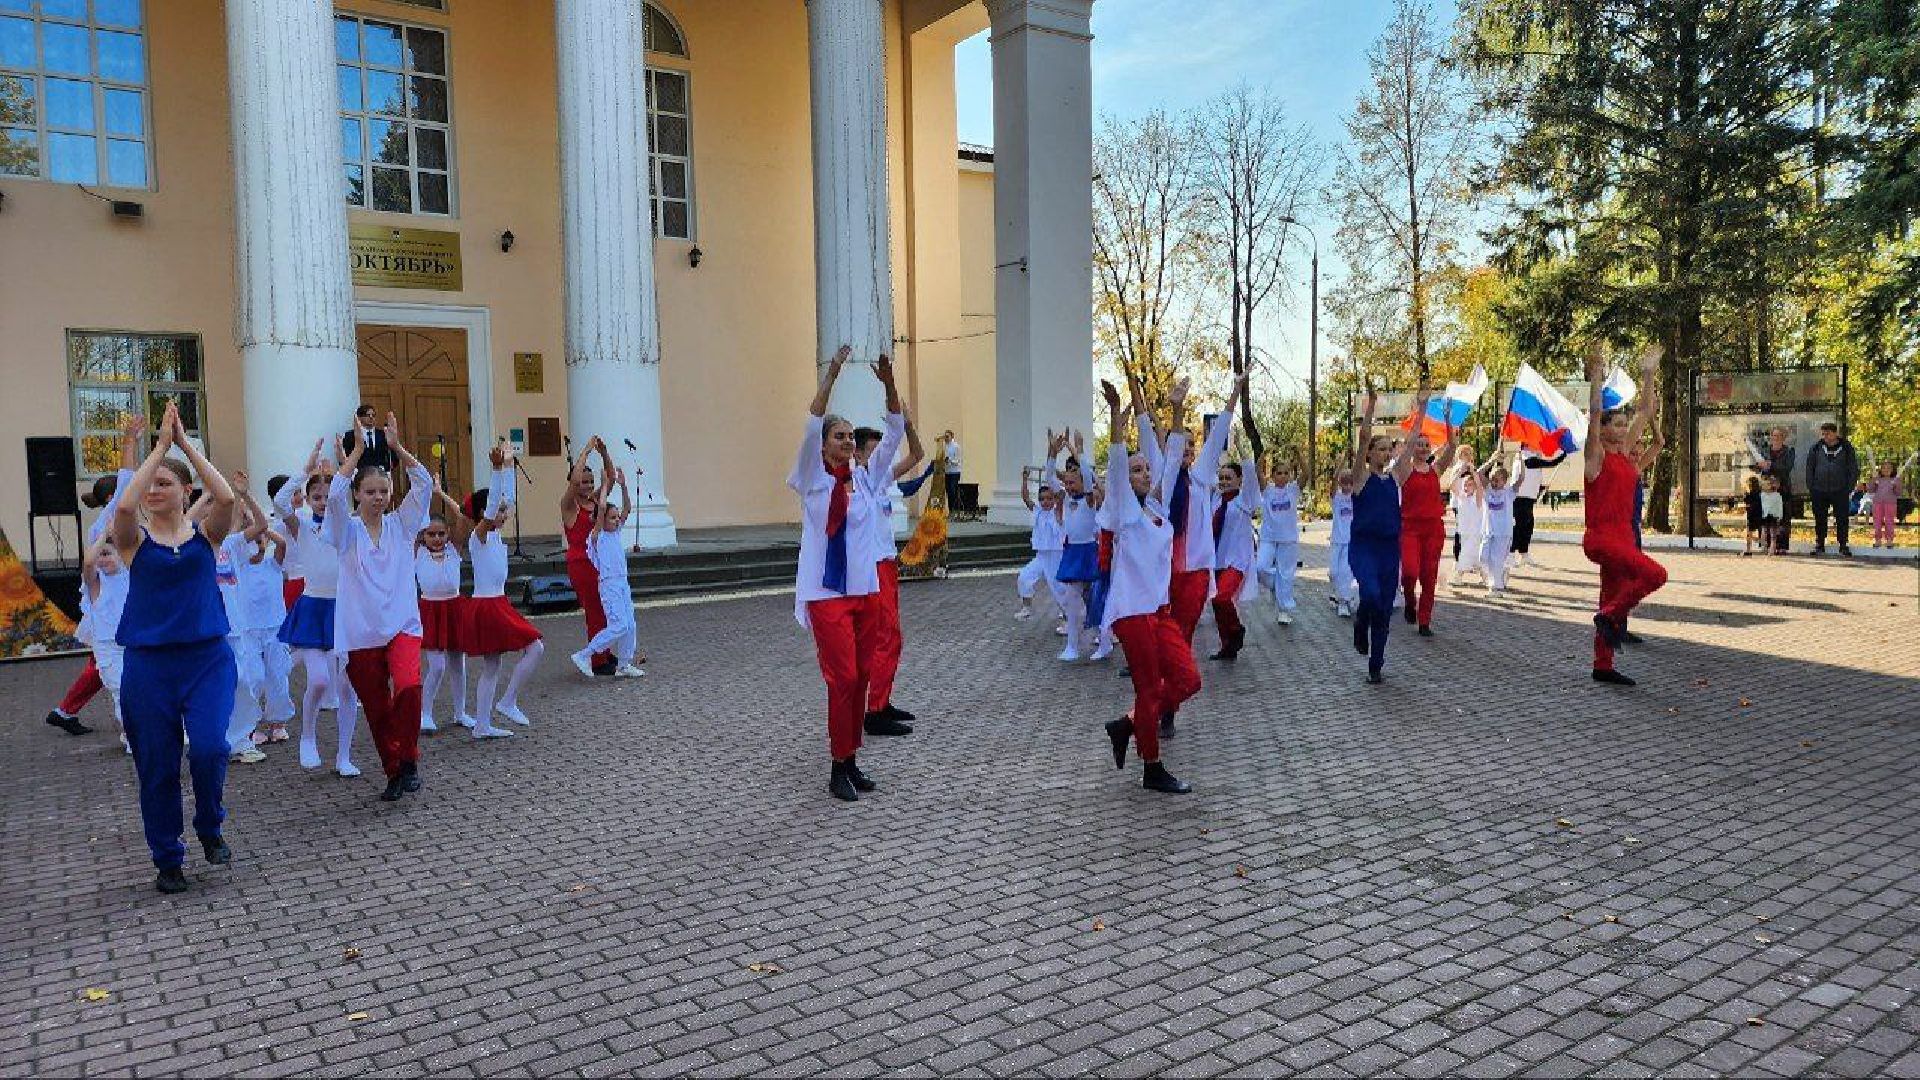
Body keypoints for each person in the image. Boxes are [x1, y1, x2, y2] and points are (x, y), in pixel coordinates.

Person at [111, 399, 240, 893]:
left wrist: (184, 445)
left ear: (187, 491)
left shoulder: (206, 536)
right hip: (148, 668)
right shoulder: (132, 541)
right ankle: (168, 858)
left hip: (207, 660)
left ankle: (210, 827)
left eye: (166, 482)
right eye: (152, 484)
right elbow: (124, 504)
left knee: (209, 748)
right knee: (158, 767)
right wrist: (157, 450)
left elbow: (225, 498)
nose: (155, 490)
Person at [791, 346, 900, 802]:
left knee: (861, 676)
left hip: (864, 590)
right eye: (840, 436)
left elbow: (894, 433)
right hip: (826, 593)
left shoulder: (866, 478)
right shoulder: (812, 475)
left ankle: (852, 759)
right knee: (842, 680)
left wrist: (889, 383)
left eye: (851, 436)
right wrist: (832, 374)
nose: (848, 442)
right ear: (824, 445)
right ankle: (838, 765)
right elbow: (813, 420)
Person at [327, 412, 436, 802]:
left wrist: (396, 448)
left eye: (383, 491)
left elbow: (424, 483)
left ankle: (408, 760)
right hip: (359, 633)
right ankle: (394, 771)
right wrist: (355, 452)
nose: (378, 498)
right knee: (376, 708)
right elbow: (335, 495)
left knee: (408, 687)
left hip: (402, 624)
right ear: (359, 494)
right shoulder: (345, 532)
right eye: (370, 492)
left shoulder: (402, 525)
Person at [1096, 379, 1196, 794]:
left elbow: (1172, 461)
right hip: (1131, 614)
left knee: (1188, 680)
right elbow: (1118, 466)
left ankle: (1127, 724)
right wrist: (1118, 420)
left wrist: (1176, 411)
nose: (1143, 473)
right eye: (1137, 470)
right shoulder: (1121, 511)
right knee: (1150, 688)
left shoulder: (1157, 511)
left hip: (1159, 612)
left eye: (1145, 469)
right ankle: (1152, 767)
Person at [47, 412, 144, 737]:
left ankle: (66, 710)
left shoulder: (119, 525)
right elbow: (128, 478)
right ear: (111, 498)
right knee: (103, 663)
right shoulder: (105, 525)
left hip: (120, 610)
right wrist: (130, 440)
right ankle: (71, 711)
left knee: (104, 664)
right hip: (106, 610)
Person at [1133, 370, 1245, 647]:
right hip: (1164, 568)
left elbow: (1219, 434)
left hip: (1195, 571)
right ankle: (1164, 669)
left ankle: (1174, 674)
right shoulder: (1162, 473)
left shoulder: (1201, 476)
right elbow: (1146, 432)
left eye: (1192, 446)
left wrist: (1236, 390)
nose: (1187, 449)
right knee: (1163, 627)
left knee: (1184, 631)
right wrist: (1136, 391)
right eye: (1182, 444)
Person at [273, 440, 361, 777]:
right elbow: (281, 502)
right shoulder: (304, 525)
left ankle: (343, 755)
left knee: (347, 687)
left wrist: (343, 465)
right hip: (312, 607)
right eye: (317, 498)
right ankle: (307, 736)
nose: (324, 502)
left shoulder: (349, 525)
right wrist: (305, 470)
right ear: (309, 501)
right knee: (321, 680)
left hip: (343, 610)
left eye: (328, 497)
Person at [1582, 344, 1668, 687]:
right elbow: (1592, 412)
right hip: (1602, 539)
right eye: (1615, 425)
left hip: (1624, 538)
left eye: (1623, 425)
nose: (1621, 429)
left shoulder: (1626, 456)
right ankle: (1609, 616)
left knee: (1610, 592)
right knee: (1655, 575)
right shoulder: (1596, 456)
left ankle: (1602, 665)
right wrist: (1598, 375)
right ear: (1603, 428)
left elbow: (1646, 411)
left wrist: (1648, 371)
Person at [460, 443, 546, 728]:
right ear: (484, 513)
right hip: (488, 604)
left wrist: (508, 465)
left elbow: (507, 501)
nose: (504, 512)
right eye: (496, 510)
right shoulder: (479, 536)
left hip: (495, 603)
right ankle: (508, 701)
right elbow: (497, 503)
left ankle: (482, 725)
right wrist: (496, 470)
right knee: (535, 648)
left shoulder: (495, 534)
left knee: (492, 665)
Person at [852, 368, 917, 739]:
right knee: (884, 636)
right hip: (871, 567)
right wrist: (890, 388)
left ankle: (882, 699)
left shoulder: (876, 479)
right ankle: (874, 711)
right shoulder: (859, 480)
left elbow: (915, 452)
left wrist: (906, 418)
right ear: (860, 454)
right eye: (872, 451)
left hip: (885, 564)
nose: (881, 457)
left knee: (892, 636)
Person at [1352, 382, 1428, 684]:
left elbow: (1410, 444)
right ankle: (1360, 622)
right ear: (1370, 453)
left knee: (1383, 608)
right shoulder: (1360, 477)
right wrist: (1371, 405)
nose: (1385, 453)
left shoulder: (1395, 477)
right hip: (1363, 547)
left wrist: (1421, 407)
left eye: (1387, 449)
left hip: (1388, 550)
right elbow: (1363, 437)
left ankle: (1376, 664)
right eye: (1380, 449)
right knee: (1369, 594)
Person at [221, 475, 294, 759]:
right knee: (253, 677)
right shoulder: (237, 562)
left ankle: (276, 722)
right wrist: (243, 510)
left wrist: (264, 533)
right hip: (248, 630)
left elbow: (277, 540)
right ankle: (248, 728)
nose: (258, 545)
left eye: (262, 542)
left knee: (279, 675)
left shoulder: (273, 563)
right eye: (255, 541)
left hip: (275, 627)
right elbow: (235, 534)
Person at [570, 466, 645, 680]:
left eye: (615, 517)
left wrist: (623, 485)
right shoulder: (596, 537)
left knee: (630, 624)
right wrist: (604, 484)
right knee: (619, 625)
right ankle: (585, 655)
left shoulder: (616, 532)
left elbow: (628, 508)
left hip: (622, 583)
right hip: (609, 585)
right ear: (601, 519)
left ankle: (623, 664)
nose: (616, 519)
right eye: (611, 517)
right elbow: (601, 507)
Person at [416, 487, 477, 735]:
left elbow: (464, 518)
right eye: (431, 534)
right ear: (423, 535)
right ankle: (425, 712)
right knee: (437, 666)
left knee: (457, 664)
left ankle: (460, 712)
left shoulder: (454, 549)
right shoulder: (416, 551)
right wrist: (422, 498)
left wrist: (441, 493)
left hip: (454, 608)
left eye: (441, 533)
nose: (437, 538)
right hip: (431, 609)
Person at [1398, 409, 1458, 638]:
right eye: (1419, 444)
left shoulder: (1436, 469)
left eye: (1426, 445)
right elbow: (1410, 439)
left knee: (1429, 575)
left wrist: (1448, 421)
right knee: (1410, 572)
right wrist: (1420, 416)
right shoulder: (1405, 469)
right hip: (1410, 528)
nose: (1422, 448)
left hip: (1433, 529)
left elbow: (1451, 448)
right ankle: (1410, 600)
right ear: (1412, 447)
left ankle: (1424, 621)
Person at [561, 436, 616, 676]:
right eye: (583, 481)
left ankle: (602, 650)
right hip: (581, 563)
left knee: (605, 608)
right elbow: (573, 481)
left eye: (590, 481)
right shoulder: (569, 506)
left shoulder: (595, 501)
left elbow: (611, 477)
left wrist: (603, 452)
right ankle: (597, 659)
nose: (586, 485)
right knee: (594, 610)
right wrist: (585, 451)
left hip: (600, 562)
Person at [1050, 433, 1104, 661]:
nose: (1069, 486)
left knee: (1094, 598)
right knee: (1073, 599)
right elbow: (1051, 479)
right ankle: (1072, 646)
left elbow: (1090, 476)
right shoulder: (1065, 498)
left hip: (1089, 551)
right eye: (1067, 483)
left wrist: (1076, 450)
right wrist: (1052, 453)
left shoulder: (1090, 499)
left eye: (1073, 482)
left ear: (1083, 482)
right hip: (1073, 552)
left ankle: (1104, 638)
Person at [1209, 450, 1262, 660]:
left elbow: (1251, 477)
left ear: (1239, 480)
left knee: (1223, 598)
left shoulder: (1244, 501)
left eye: (1228, 478)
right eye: (1221, 478)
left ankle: (1237, 629)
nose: (1223, 482)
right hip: (1216, 560)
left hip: (1237, 561)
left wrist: (1244, 454)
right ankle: (1227, 646)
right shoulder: (1216, 501)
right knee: (1216, 603)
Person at [1253, 456, 1301, 626]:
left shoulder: (1293, 490)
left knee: (1286, 574)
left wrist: (1299, 455)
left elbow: (1307, 473)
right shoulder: (1268, 490)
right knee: (1259, 567)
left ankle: (1283, 610)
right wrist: (1262, 456)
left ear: (1289, 475)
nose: (1282, 476)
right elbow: (1258, 472)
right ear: (1272, 476)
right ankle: (1274, 584)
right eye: (1278, 473)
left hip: (1288, 539)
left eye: (1286, 473)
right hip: (1268, 537)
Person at [1803, 422, 1860, 556]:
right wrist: (1811, 486)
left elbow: (1853, 468)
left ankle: (1843, 545)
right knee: (1820, 518)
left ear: (1835, 433)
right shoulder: (1816, 448)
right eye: (1823, 434)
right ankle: (1820, 544)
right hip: (1819, 489)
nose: (1825, 437)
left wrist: (1849, 487)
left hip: (1840, 489)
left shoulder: (1846, 447)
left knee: (1842, 518)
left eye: (1828, 433)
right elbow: (1810, 468)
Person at [1015, 471, 1064, 622]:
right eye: (1042, 499)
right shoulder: (1037, 511)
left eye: (1049, 498)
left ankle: (1067, 615)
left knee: (1058, 587)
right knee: (1024, 576)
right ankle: (1026, 608)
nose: (1045, 502)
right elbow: (1025, 498)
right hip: (1041, 555)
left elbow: (1063, 496)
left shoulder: (1059, 512)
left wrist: (1055, 479)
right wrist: (1024, 479)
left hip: (1056, 555)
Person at [1510, 449, 1564, 568]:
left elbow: (1531, 478)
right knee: (1518, 527)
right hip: (1520, 498)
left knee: (1528, 526)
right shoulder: (1527, 459)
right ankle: (1510, 554)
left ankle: (1524, 554)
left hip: (1528, 498)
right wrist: (1564, 453)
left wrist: (1541, 487)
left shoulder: (1528, 459)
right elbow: (1552, 463)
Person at [1750, 426, 1795, 552]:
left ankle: (1781, 546)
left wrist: (1770, 465)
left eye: (1778, 436)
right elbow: (1757, 468)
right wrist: (1759, 466)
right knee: (1764, 515)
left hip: (1782, 489)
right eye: (1773, 436)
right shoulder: (1764, 451)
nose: (1775, 438)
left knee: (1783, 517)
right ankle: (1765, 544)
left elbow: (1787, 468)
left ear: (1783, 438)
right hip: (1766, 489)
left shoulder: (1789, 451)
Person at [1480, 464, 1516, 595]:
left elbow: (1521, 478)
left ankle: (1495, 588)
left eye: (1497, 479)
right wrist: (1492, 460)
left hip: (1503, 532)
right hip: (1489, 531)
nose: (1493, 482)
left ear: (1504, 481)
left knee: (1495, 560)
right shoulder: (1488, 491)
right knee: (1482, 557)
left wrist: (1521, 462)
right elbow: (1478, 474)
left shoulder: (1509, 493)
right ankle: (1503, 572)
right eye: (1492, 479)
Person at [1327, 469, 1357, 618]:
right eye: (1344, 483)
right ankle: (1339, 593)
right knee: (1333, 572)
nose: (1347, 486)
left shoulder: (1355, 498)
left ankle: (1343, 602)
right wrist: (1339, 467)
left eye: (1350, 483)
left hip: (1350, 542)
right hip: (1336, 541)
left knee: (1345, 572)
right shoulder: (1337, 498)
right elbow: (1332, 486)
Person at [1869, 455, 1915, 548]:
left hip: (1890, 504)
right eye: (1884, 468)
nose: (1886, 470)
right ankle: (1878, 540)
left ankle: (1889, 540)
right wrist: (1873, 480)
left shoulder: (1895, 480)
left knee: (1889, 521)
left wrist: (1897, 484)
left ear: (1892, 470)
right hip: (1877, 503)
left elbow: (1898, 493)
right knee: (1877, 521)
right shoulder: (1878, 479)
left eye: (1889, 468)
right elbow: (1871, 490)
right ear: (1880, 470)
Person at [342, 404, 394, 473]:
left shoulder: (383, 434)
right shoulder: (350, 436)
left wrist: (386, 468)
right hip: (358, 474)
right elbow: (346, 456)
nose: (371, 417)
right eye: (367, 415)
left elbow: (392, 454)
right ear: (359, 418)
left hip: (380, 474)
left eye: (373, 415)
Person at [938, 430, 963, 515]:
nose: (946, 438)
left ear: (952, 437)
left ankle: (955, 510)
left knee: (953, 491)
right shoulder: (945, 447)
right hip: (947, 472)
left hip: (955, 472)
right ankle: (951, 511)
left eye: (947, 436)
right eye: (945, 436)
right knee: (948, 491)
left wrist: (950, 460)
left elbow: (958, 460)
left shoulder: (956, 446)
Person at [1760, 477, 1785, 555]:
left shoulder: (1777, 495)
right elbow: (1761, 506)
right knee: (1764, 532)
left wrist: (1779, 517)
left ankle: (1772, 549)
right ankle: (1764, 546)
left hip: (1774, 516)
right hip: (1765, 516)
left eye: (1770, 484)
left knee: (1773, 534)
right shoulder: (1762, 495)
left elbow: (1780, 507)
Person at [1742, 476, 1764, 557]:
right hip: (1759, 514)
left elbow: (1747, 503)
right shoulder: (1760, 494)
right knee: (1761, 531)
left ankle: (1748, 549)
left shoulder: (1748, 494)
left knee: (1749, 533)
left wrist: (1745, 493)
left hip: (1751, 515)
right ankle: (1764, 545)